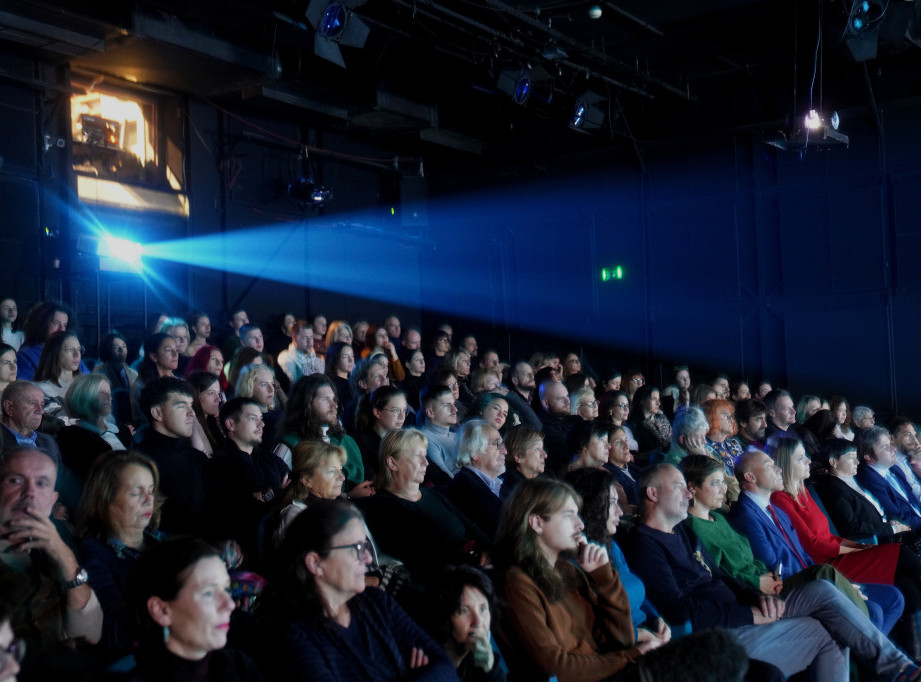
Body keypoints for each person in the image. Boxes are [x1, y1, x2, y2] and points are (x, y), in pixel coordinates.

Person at [623, 463, 871, 682]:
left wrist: (756, 597)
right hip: (721, 630)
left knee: (823, 590)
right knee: (828, 625)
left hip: (743, 607)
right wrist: (748, 614)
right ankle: (886, 668)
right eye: (679, 486)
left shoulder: (681, 531)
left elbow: (720, 575)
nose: (688, 493)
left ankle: (890, 666)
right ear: (653, 493)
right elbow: (678, 610)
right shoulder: (643, 544)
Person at [681, 454, 920, 676]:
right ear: (692, 488)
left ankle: (880, 668)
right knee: (854, 600)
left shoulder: (722, 518)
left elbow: (765, 559)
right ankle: (889, 668)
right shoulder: (707, 525)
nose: (724, 489)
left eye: (723, 482)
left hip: (786, 580)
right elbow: (726, 574)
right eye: (715, 483)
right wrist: (758, 582)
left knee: (893, 597)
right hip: (768, 591)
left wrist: (843, 582)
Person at [492, 477, 665, 681]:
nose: (580, 524)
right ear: (537, 523)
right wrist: (630, 657)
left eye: (578, 514)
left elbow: (622, 639)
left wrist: (604, 578)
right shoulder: (516, 583)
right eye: (569, 515)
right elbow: (555, 667)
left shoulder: (567, 569)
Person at [269, 499, 455, 681]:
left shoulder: (376, 601)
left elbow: (445, 665)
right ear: (315, 563)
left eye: (365, 546)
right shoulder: (294, 638)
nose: (368, 558)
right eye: (357, 548)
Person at [0, 447, 102, 656]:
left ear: (52, 501)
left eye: (42, 483)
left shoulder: (58, 541)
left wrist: (65, 558)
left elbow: (90, 635)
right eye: (16, 480)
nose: (30, 492)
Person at [364, 429, 490, 587]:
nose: (426, 462)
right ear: (393, 463)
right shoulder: (381, 507)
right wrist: (473, 563)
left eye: (425, 456)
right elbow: (419, 558)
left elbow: (470, 526)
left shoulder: (433, 494)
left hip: (476, 566)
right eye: (418, 456)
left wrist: (488, 550)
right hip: (449, 582)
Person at [126, 537, 264, 681]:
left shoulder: (240, 666)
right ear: (161, 610)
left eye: (225, 589)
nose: (230, 605)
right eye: (208, 594)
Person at [75, 450, 164, 660]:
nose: (149, 500)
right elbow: (115, 631)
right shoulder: (92, 554)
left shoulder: (160, 539)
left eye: (151, 490)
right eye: (135, 493)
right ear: (105, 499)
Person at [209, 397, 289, 562]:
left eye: (261, 419)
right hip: (247, 552)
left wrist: (270, 493)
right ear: (231, 424)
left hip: (278, 543)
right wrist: (279, 493)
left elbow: (294, 485)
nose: (262, 424)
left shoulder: (269, 457)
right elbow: (244, 509)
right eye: (253, 419)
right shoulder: (221, 464)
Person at [273, 375, 371, 500]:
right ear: (307, 404)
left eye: (334, 399)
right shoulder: (290, 444)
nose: (334, 405)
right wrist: (348, 496)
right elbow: (281, 494)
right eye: (325, 399)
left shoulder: (347, 442)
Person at [135, 377, 210, 536]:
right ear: (157, 413)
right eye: (182, 406)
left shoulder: (198, 459)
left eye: (191, 405)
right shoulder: (137, 462)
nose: (192, 413)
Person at [56, 374, 128, 511]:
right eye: (102, 393)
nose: (109, 397)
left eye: (109, 393)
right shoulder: (71, 437)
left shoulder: (121, 432)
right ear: (83, 397)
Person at [429, 565, 506, 682]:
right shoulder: (423, 658)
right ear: (444, 620)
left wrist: (489, 670)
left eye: (483, 609)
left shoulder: (485, 657)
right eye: (464, 611)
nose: (478, 622)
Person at [269, 440, 348, 551]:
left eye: (341, 469)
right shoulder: (297, 515)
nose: (342, 477)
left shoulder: (343, 506)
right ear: (307, 480)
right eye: (331, 471)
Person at [448, 420, 506, 540]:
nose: (504, 451)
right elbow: (500, 530)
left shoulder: (499, 484)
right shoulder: (464, 486)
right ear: (474, 451)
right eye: (496, 444)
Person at [856, 425, 921, 530]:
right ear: (869, 457)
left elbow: (912, 501)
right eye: (885, 447)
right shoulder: (870, 481)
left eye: (890, 444)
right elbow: (897, 518)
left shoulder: (894, 468)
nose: (894, 449)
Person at [16, 301, 83, 381]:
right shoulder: (25, 356)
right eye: (56, 323)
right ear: (42, 324)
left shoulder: (72, 352)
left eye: (65, 325)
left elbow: (87, 379)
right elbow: (28, 386)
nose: (62, 329)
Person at [352, 386, 407, 482]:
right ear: (377, 412)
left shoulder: (405, 439)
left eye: (404, 411)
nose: (402, 417)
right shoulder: (360, 444)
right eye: (396, 410)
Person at [0, 381, 61, 463]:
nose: (41, 410)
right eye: (32, 403)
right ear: (9, 407)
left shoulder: (48, 442)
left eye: (42, 405)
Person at [33, 330, 86, 421]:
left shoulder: (85, 385)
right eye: (70, 350)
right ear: (55, 353)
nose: (77, 355)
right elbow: (61, 422)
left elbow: (103, 418)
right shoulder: (41, 390)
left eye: (79, 349)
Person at [131, 333, 180, 425]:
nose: (175, 354)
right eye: (168, 350)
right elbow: (147, 422)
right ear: (153, 356)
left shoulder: (181, 383)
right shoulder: (141, 386)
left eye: (176, 349)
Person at [419, 384, 459, 484]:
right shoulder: (425, 441)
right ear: (430, 412)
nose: (455, 409)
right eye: (447, 405)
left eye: (453, 404)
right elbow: (447, 481)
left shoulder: (456, 435)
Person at [499, 426, 546, 499]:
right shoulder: (517, 493)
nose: (545, 455)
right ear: (518, 456)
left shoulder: (543, 482)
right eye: (537, 449)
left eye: (542, 449)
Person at [626, 385, 671, 460]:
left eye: (658, 399)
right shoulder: (633, 425)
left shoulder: (662, 418)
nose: (658, 403)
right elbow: (637, 454)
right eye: (654, 399)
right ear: (642, 400)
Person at [277, 322, 324, 387]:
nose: (310, 342)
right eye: (305, 338)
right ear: (294, 339)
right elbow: (295, 385)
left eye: (311, 337)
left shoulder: (317, 358)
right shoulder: (286, 357)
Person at [324, 341, 355, 408]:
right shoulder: (331, 384)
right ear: (335, 359)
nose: (351, 360)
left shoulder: (353, 382)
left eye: (352, 355)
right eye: (345, 357)